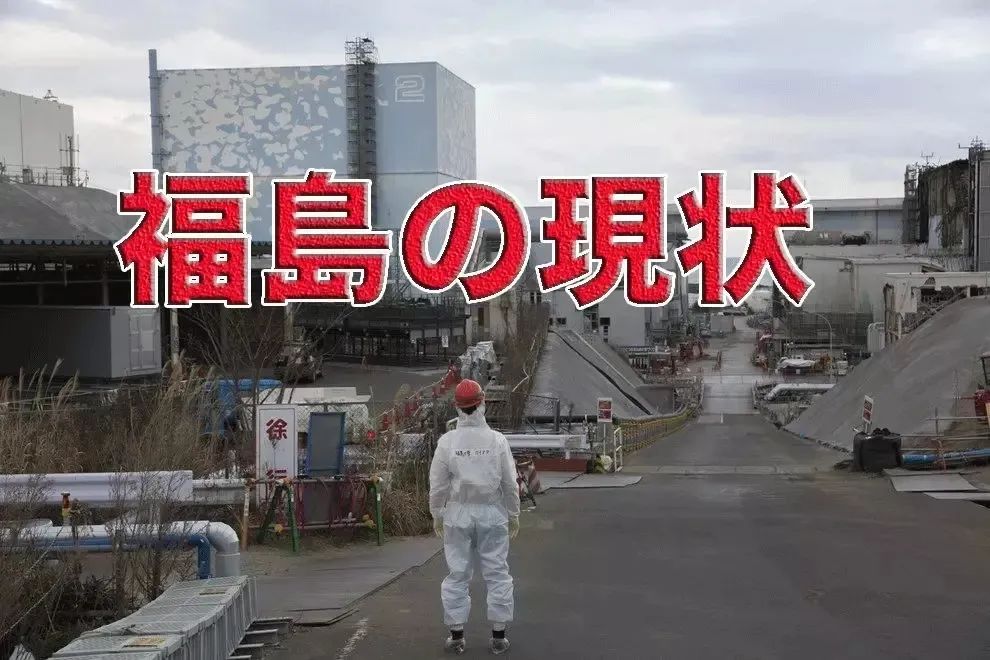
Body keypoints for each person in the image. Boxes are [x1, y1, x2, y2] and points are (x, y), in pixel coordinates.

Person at [429, 379, 520, 655]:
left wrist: (437, 514)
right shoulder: (497, 441)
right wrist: (513, 513)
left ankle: (456, 636)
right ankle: (499, 636)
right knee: (497, 571)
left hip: (458, 513)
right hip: (492, 512)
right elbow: (510, 483)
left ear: (457, 407)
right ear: (482, 403)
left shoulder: (447, 442)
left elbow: (438, 485)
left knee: (457, 572)